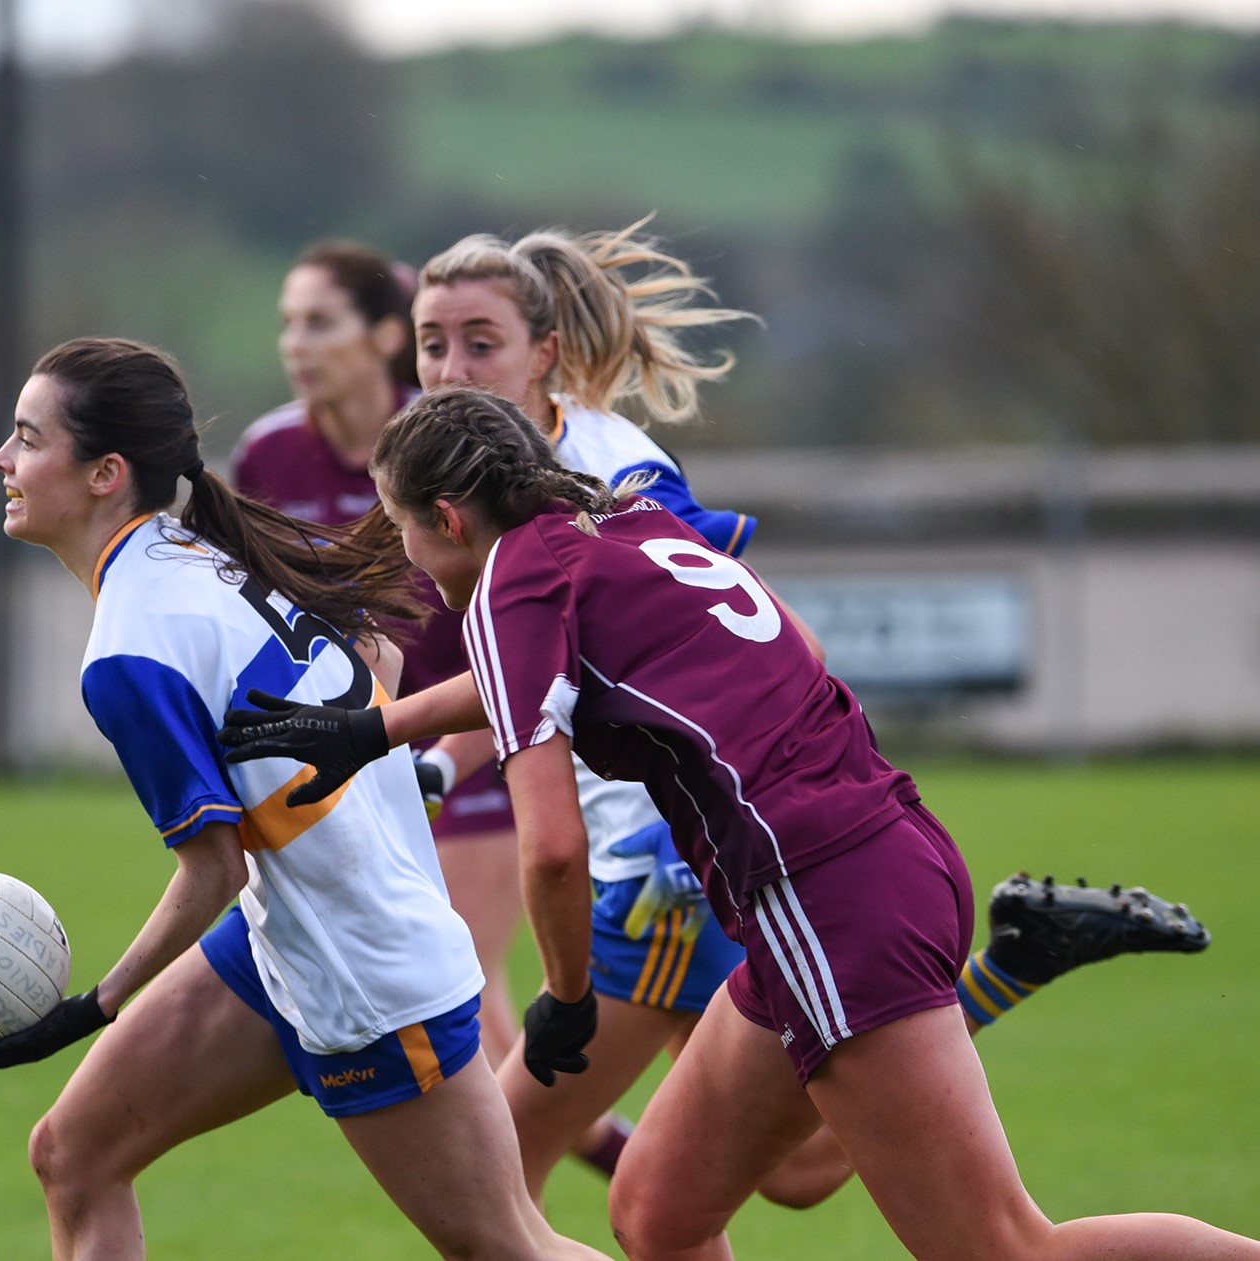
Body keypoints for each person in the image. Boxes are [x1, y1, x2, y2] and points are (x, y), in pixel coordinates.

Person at [226, 385, 1258, 1260]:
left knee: (998, 1245)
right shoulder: (618, 522)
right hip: (856, 866)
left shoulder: (508, 586)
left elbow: (550, 848)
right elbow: (561, 680)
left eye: (399, 528)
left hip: (824, 895)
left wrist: (567, 997)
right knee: (657, 1209)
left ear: (447, 518)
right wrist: (374, 729)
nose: (405, 559)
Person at [397, 221, 1209, 1207]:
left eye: (477, 341)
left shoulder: (611, 483)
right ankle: (1008, 967)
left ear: (546, 353)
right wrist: (415, 754)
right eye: (430, 343)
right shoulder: (500, 483)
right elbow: (536, 676)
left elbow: (709, 653)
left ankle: (1001, 971)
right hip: (750, 867)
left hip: (662, 871)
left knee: (498, 1181)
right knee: (752, 1180)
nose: (446, 367)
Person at [0, 338, 608, 1261]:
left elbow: (214, 868)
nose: (3, 459)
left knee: (508, 1248)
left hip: (367, 979)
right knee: (73, 1154)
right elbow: (373, 659)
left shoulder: (127, 651)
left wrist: (94, 1005)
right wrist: (380, 792)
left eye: (27, 439)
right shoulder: (200, 549)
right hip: (289, 940)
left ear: (107, 473)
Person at [231, 240, 528, 1072]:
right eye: (288, 324)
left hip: (460, 743)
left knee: (470, 1016)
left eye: (320, 322)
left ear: (383, 338)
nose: (296, 344)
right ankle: (606, 1179)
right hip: (349, 755)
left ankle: (600, 1185)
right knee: (460, 1032)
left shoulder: (443, 440)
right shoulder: (267, 455)